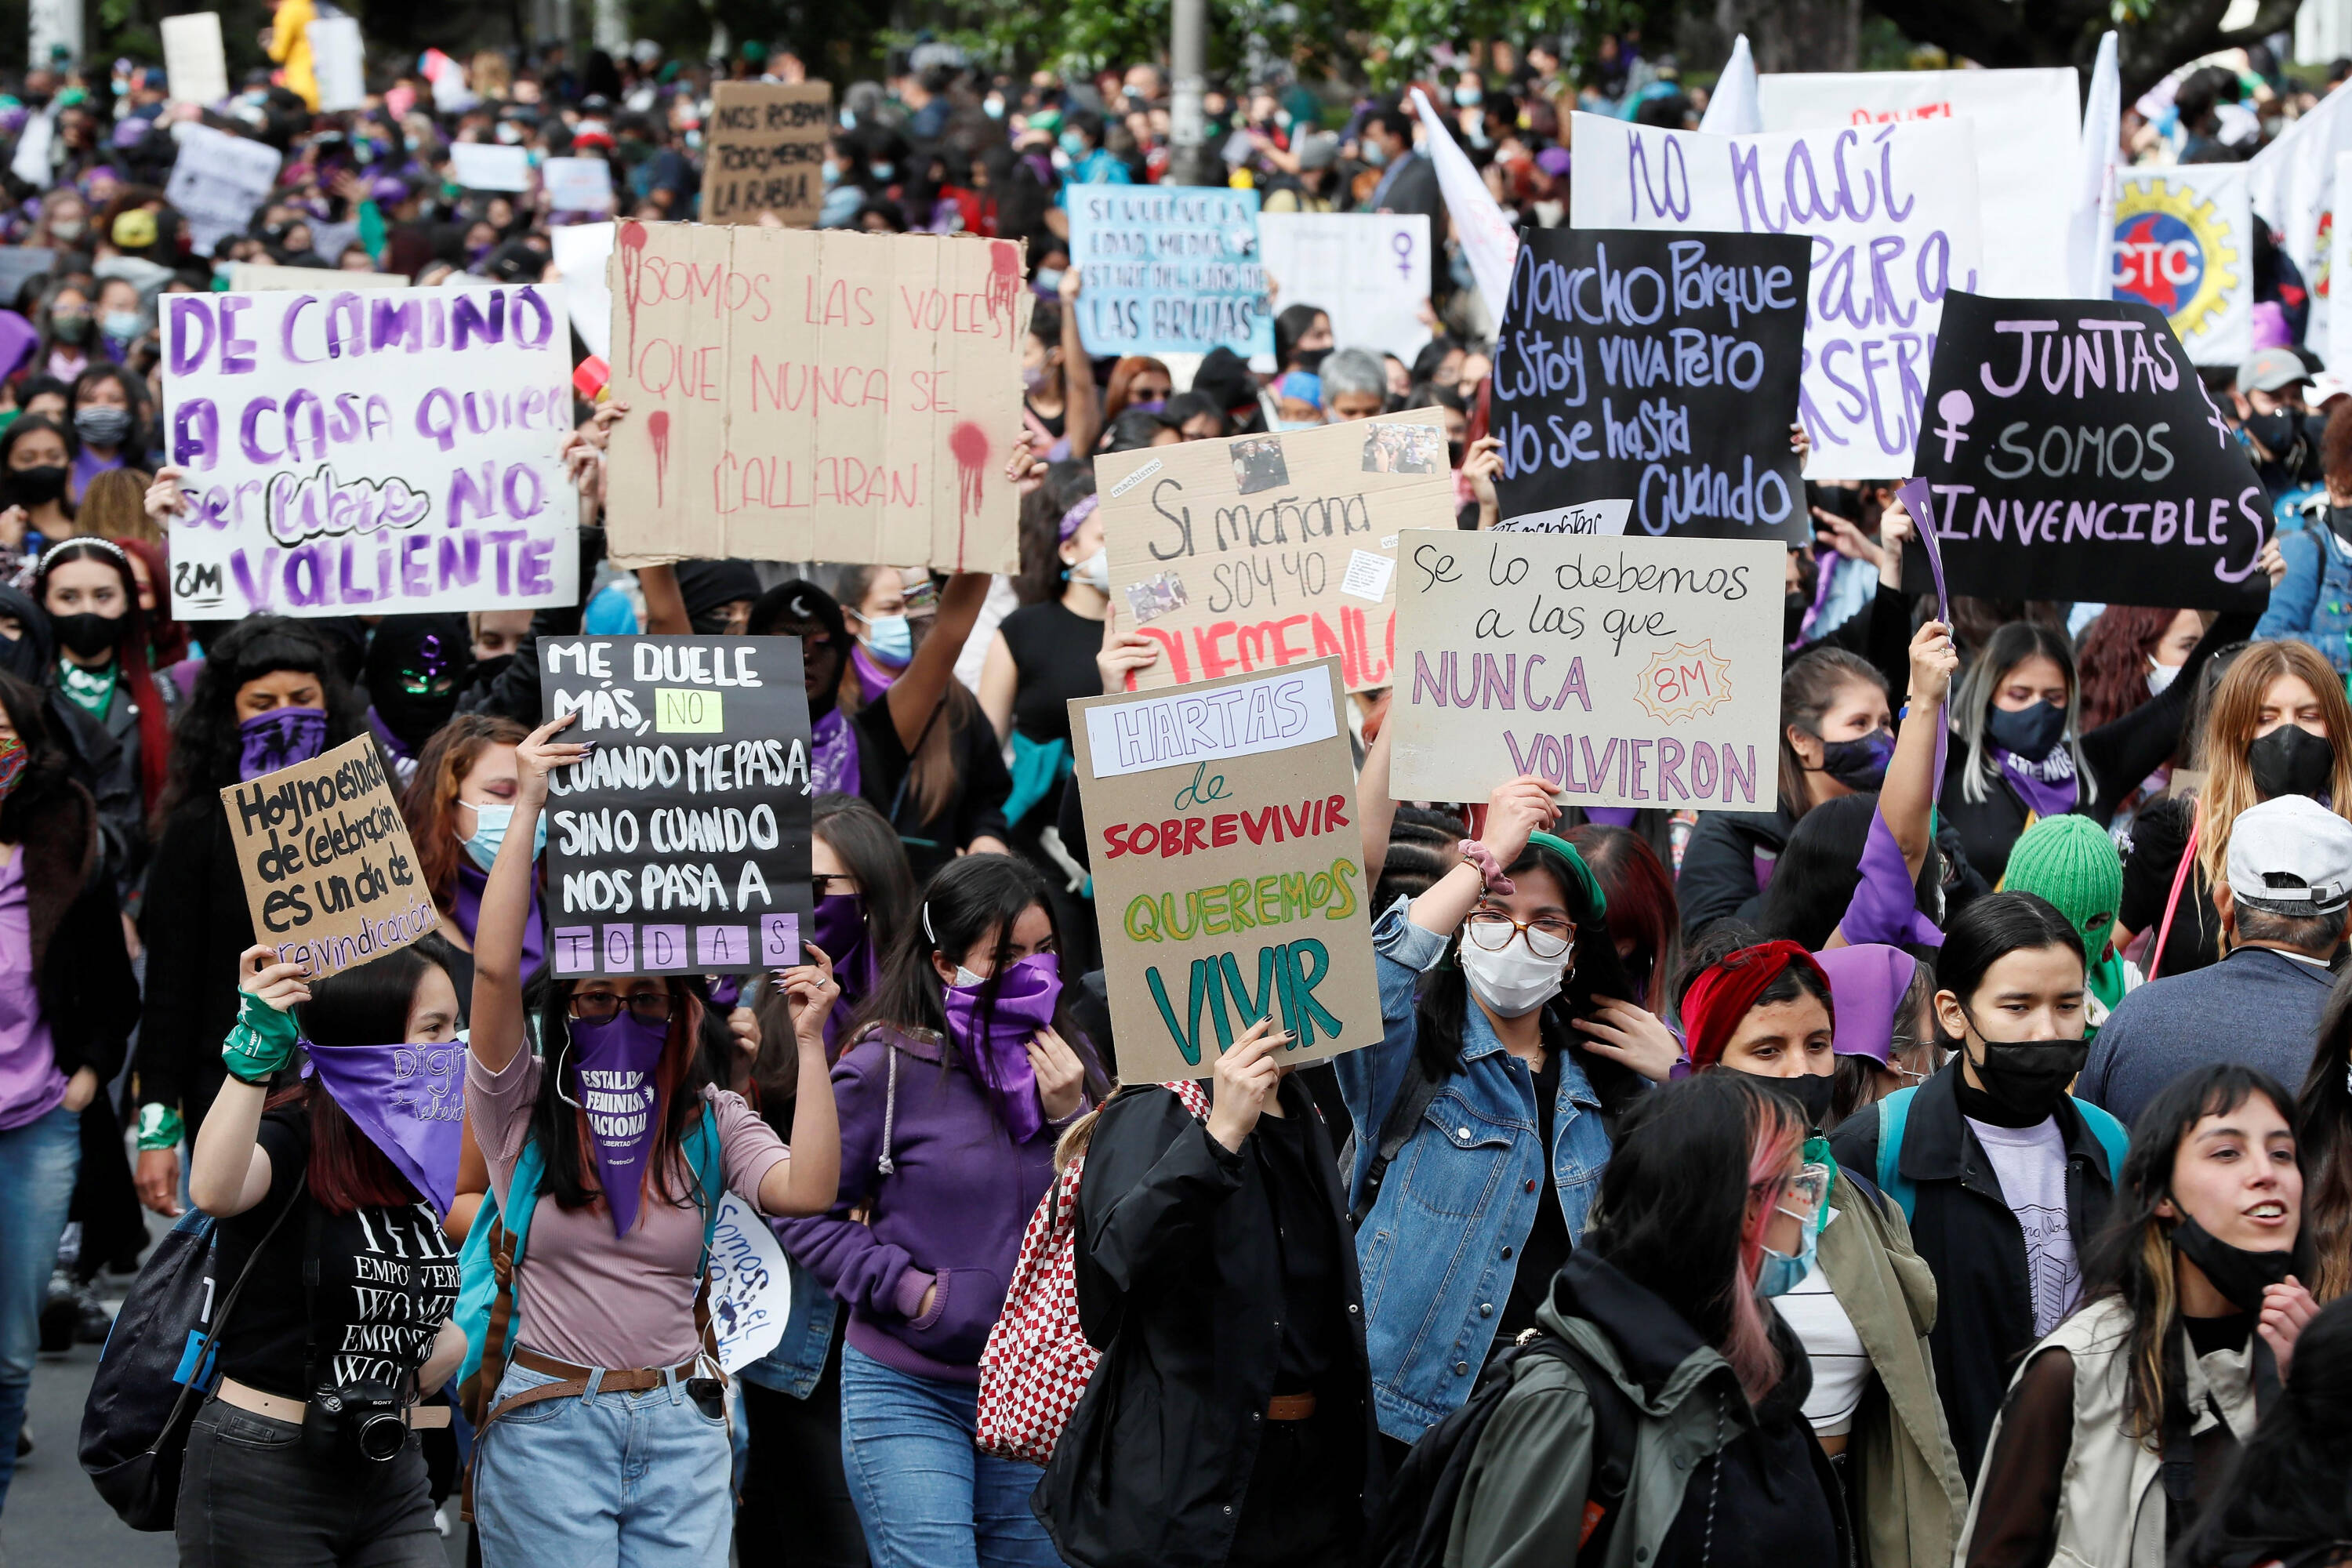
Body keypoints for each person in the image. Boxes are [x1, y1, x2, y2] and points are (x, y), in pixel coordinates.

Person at [464, 713, 843, 1563]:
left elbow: (809, 1189)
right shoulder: (522, 1108)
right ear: (562, 1012)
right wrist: (528, 802)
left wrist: (810, 1039)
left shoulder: (709, 1120)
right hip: (547, 1424)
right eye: (593, 999)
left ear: (683, 1013)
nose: (618, 1016)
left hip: (684, 1424)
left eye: (644, 1000)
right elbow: (492, 970)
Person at [775, 853, 1103, 1568]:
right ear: (947, 965)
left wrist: (1070, 1119)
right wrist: (912, 1291)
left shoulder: (1071, 1062)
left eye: (1044, 950)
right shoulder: (884, 1068)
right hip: (907, 1388)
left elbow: (1111, 1217)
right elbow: (803, 1208)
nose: (1033, 970)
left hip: (1033, 1393)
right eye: (1006, 955)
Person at [1341, 775, 1678, 1458]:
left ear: (1576, 947)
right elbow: (1366, 984)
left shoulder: (1612, 1088)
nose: (1518, 934)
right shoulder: (1409, 1059)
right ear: (1463, 927)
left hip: (1559, 1422)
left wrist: (1683, 1077)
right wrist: (1481, 858)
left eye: (1547, 921)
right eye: (1494, 911)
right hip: (1400, 1423)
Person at [1448, 1073, 1848, 1568]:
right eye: (1799, 1184)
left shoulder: (1759, 1362)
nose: (1810, 1205)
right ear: (1745, 1209)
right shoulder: (1564, 1405)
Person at [1039, 1014, 1378, 1568]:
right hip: (1185, 1496)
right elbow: (1109, 1286)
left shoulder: (1303, 1107)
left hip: (1309, 1490)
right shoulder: (1157, 1107)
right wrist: (1219, 1138)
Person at [176, 939, 469, 1566]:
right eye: (434, 1029)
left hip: (390, 1467)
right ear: (371, 1035)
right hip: (265, 1469)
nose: (454, 1048)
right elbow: (214, 1189)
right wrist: (251, 1061)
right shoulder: (293, 1139)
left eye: (456, 1026)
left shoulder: (417, 1156)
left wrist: (448, 1339)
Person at [1678, 938, 1969, 1568]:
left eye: (1816, 1045)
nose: (1798, 1071)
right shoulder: (1659, 1208)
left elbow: (1919, 1416)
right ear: (1708, 1068)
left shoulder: (1865, 1211)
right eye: (1767, 1049)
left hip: (1835, 1525)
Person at [1958, 1064, 2321, 1566]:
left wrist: (2316, 1401)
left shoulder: (2319, 1358)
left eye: (2282, 1153)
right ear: (2162, 1196)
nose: (2266, 1173)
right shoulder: (2077, 1369)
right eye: (2227, 1152)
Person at [1831, 891, 2130, 1480]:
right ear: (1953, 1014)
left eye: (2068, 1005)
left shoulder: (2109, 1143)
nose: (2048, 1030)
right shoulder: (1879, 1147)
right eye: (2017, 1007)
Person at [134, 619, 373, 1217]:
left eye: (302, 700)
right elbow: (168, 989)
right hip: (236, 1091)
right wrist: (158, 1123)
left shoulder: (369, 815)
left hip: (358, 1085)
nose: (285, 715)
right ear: (230, 715)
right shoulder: (195, 830)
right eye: (262, 704)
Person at [0, 670, 136, 1518]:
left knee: (12, 1352)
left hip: (37, 1121)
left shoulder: (66, 833)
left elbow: (112, 986)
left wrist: (87, 1074)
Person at [2080, 796, 2350, 1128]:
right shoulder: (2343, 1033)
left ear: (2224, 905)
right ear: (2348, 922)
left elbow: (2081, 1155)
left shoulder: (2136, 1015)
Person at [2117, 639, 2352, 978]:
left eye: (2309, 716)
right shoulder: (2174, 831)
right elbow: (2096, 953)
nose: (2288, 732)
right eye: (2265, 718)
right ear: (2234, 731)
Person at [1941, 615, 2234, 887]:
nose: (2038, 708)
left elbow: (2179, 701)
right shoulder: (1951, 764)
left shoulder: (2093, 767)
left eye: (2053, 697)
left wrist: (2244, 603)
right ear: (1986, 695)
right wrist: (1892, 571)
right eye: (2020, 695)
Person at [754, 573, 1012, 880]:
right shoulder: (719, 740)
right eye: (784, 643)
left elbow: (949, 633)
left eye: (821, 643)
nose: (805, 655)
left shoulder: (872, 738)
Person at [1679, 647, 1889, 935]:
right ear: (1801, 739)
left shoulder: (1907, 814)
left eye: (1885, 723)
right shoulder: (1732, 827)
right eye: (1860, 723)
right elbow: (1712, 943)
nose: (1880, 738)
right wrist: (1821, 870)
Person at [396, 712, 537, 993]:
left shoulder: (565, 903)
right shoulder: (402, 926)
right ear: (445, 802)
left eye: (537, 794)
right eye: (501, 791)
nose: (526, 808)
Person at [34, 536, 171, 818]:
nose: (88, 609)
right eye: (68, 597)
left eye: (103, 596)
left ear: (127, 602)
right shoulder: (22, 699)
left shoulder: (163, 697)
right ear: (44, 601)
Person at [2001, 814, 2135, 1031]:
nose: (2070, 944)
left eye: (2094, 922)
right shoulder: (1978, 973)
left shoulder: (2125, 982)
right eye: (2052, 920)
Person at [0, 414, 78, 566]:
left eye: (54, 457)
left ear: (70, 466)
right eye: (28, 459)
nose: (43, 464)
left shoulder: (90, 523)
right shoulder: (5, 532)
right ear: (8, 469)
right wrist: (5, 548)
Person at [67, 364, 145, 501]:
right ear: (73, 407)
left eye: (115, 399)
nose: (101, 407)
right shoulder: (62, 466)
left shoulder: (148, 470)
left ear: (130, 407)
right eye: (89, 400)